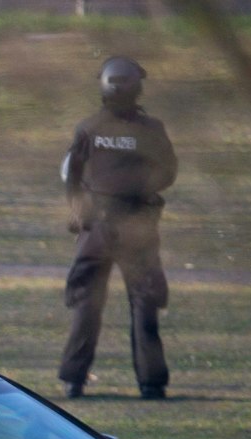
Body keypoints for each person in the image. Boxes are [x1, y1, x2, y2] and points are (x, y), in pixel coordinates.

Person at [58, 55, 177, 401]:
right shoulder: (151, 129)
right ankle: (152, 384)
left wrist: (78, 212)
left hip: (96, 227)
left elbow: (72, 175)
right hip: (137, 227)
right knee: (144, 302)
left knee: (86, 302)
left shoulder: (88, 127)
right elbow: (168, 173)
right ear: (137, 87)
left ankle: (73, 381)